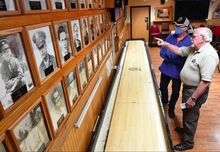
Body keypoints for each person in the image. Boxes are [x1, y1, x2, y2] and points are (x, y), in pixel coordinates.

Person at [155, 27, 219, 151]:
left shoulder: (209, 55)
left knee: (191, 115)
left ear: (203, 39)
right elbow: (179, 51)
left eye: (194, 36)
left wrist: (193, 98)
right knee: (187, 113)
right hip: (188, 87)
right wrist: (166, 44)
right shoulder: (195, 48)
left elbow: (205, 82)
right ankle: (186, 130)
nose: (191, 38)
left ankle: (188, 142)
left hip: (195, 91)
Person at [159, 17, 192, 118]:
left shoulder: (189, 41)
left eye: (179, 26)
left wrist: (171, 56)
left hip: (178, 71)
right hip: (165, 68)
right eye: (176, 25)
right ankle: (164, 102)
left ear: (186, 27)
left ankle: (171, 108)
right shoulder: (171, 36)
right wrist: (174, 56)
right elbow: (162, 52)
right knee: (162, 87)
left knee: (175, 92)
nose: (176, 27)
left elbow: (183, 58)